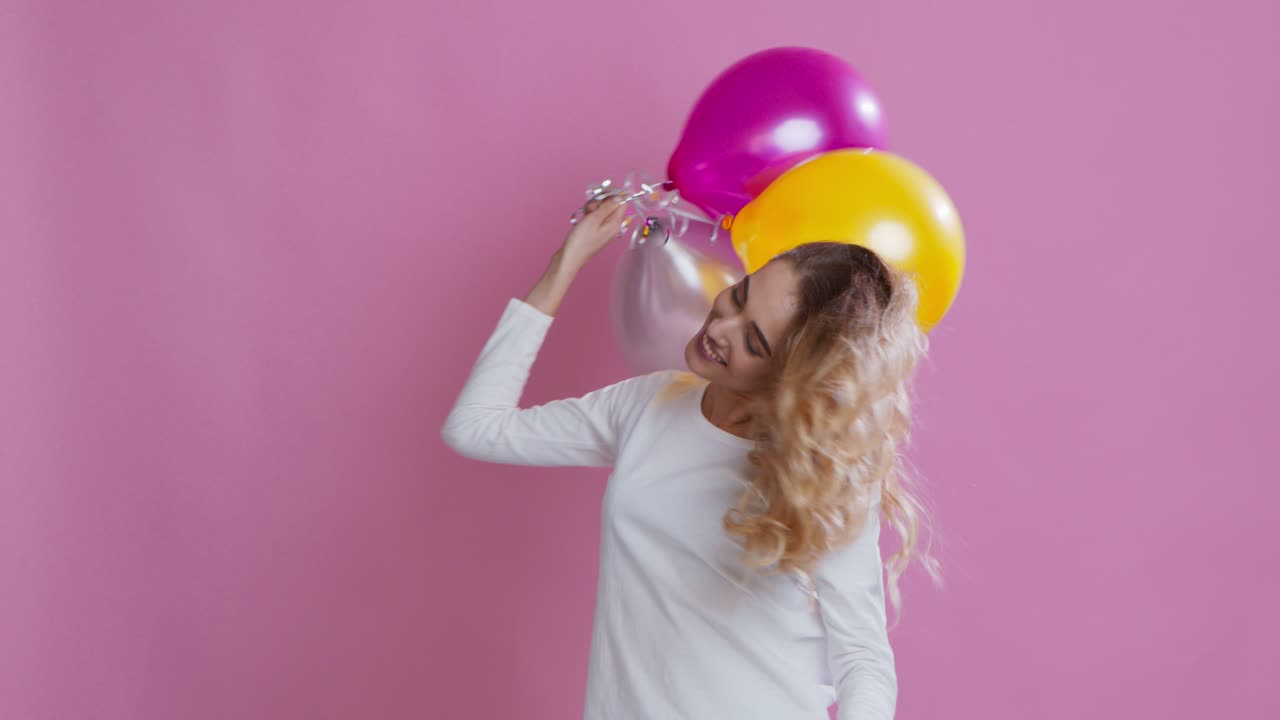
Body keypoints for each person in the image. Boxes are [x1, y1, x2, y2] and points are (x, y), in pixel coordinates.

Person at [441, 194, 942, 720]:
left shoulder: (817, 477)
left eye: (753, 341)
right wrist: (567, 262)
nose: (720, 329)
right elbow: (475, 428)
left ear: (793, 377)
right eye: (741, 296)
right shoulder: (647, 405)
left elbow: (862, 657)